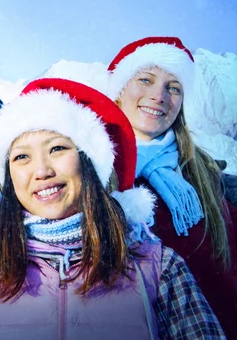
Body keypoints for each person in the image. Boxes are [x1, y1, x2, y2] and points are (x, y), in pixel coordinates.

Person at [0, 78, 225, 339]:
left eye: (57, 149)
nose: (41, 170)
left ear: (89, 163)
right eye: (21, 157)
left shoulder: (157, 266)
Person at [108, 36, 237, 339]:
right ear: (119, 90)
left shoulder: (202, 171)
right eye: (145, 79)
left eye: (173, 87)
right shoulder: (94, 173)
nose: (159, 95)